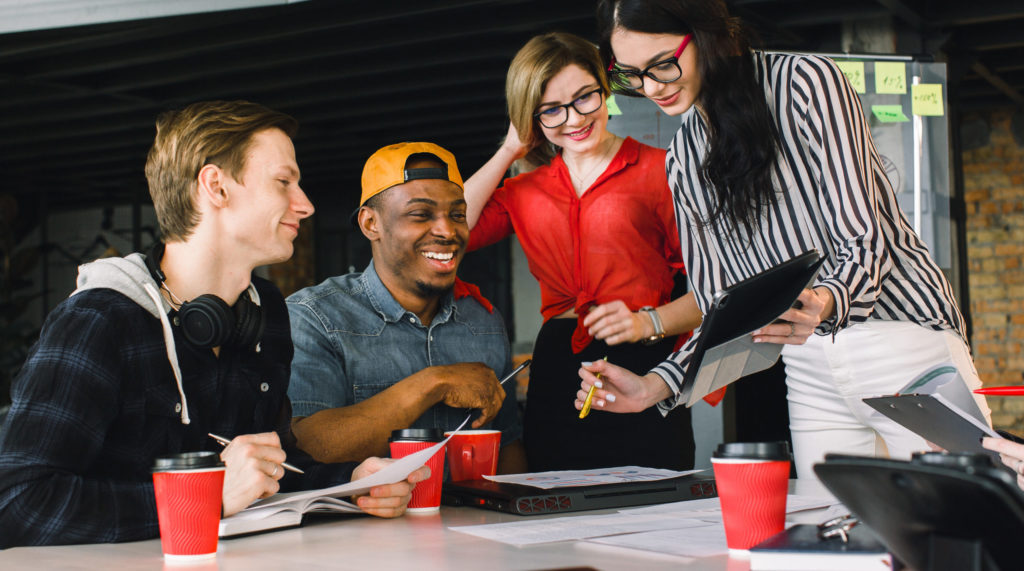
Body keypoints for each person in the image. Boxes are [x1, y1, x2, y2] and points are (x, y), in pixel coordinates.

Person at [573, 0, 991, 479]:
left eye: (662, 63)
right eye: (632, 75)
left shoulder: (805, 83)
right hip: (809, 365)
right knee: (834, 547)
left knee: (964, 524)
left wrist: (824, 300)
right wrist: (656, 384)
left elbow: (866, 237)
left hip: (900, 340)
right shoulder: (684, 157)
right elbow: (720, 306)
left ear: (703, 34)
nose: (653, 87)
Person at [0, 101, 426, 548]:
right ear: (216, 186)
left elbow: (266, 474)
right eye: (284, 182)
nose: (306, 205)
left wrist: (351, 481)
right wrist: (203, 497)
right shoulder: (97, 321)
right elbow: (16, 503)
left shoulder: (266, 313)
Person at [463, 32, 704, 472]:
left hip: (645, 355)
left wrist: (648, 324)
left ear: (604, 88)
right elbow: (452, 231)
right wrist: (510, 149)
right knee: (557, 503)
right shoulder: (524, 190)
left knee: (653, 505)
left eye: (584, 98)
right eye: (551, 109)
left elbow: (711, 290)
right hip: (559, 362)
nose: (573, 119)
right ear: (531, 117)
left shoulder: (660, 170)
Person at [287, 142, 526, 472]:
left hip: (473, 521)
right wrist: (434, 383)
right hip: (367, 524)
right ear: (371, 224)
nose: (447, 231)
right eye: (421, 215)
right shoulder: (313, 317)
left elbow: (507, 445)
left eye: (457, 214)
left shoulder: (482, 321)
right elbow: (307, 448)